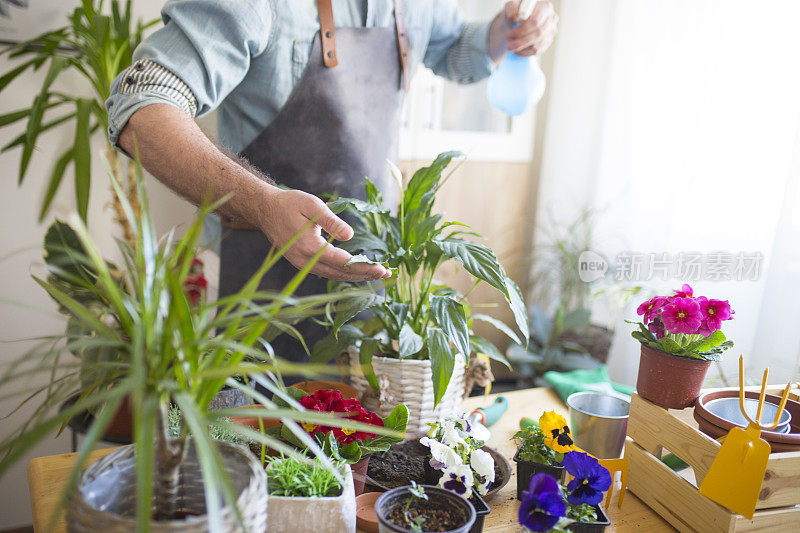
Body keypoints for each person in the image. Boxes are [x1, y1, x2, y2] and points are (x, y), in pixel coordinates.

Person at [107, 0, 558, 361]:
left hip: (366, 277)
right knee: (252, 449)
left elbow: (455, 47)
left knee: (358, 450)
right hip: (252, 283)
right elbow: (142, 104)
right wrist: (265, 204)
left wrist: (504, 33)